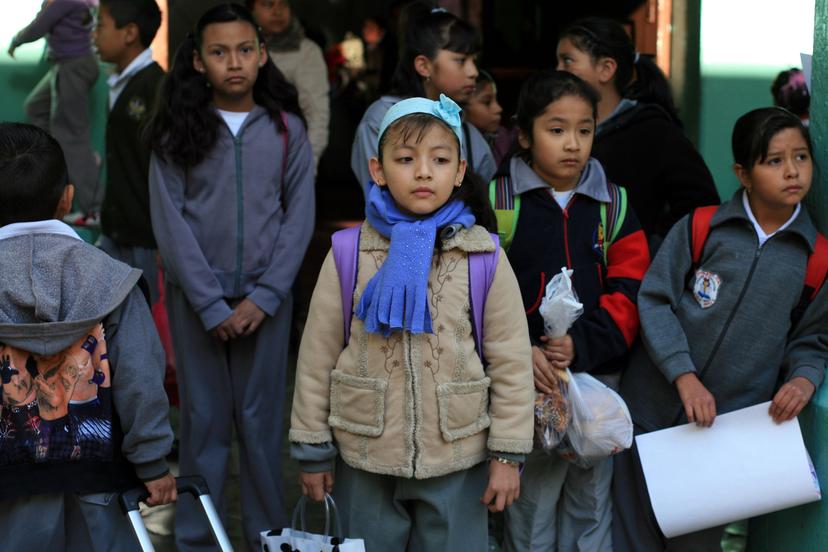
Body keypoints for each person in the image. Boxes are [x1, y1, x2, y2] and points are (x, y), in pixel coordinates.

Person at [290, 95, 534, 551]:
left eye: (439, 160)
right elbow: (316, 356)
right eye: (405, 159)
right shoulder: (348, 253)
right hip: (364, 453)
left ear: (459, 171)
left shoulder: (482, 256)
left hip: (457, 454)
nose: (423, 172)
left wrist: (506, 453)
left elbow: (511, 362)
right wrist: (311, 449)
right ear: (378, 170)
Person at [614, 107, 828, 551]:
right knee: (628, 539)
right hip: (648, 415)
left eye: (801, 157)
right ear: (743, 173)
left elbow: (813, 338)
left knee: (696, 545)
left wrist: (806, 378)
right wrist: (684, 376)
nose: (792, 171)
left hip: (724, 438)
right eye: (774, 161)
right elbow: (654, 300)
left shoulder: (816, 258)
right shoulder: (701, 227)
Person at [147, 4, 315, 550]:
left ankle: (270, 538)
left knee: (263, 428)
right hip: (198, 303)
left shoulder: (287, 129)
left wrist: (266, 296)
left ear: (262, 55)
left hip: (267, 301)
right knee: (203, 424)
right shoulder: (177, 130)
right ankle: (200, 540)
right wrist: (211, 304)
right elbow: (169, 223)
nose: (234, 63)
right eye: (219, 53)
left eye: (245, 50)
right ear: (198, 61)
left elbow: (299, 218)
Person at [0, 122, 176, 551]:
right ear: (67, 198)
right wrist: (152, 461)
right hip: (98, 484)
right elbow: (138, 373)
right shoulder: (110, 280)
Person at [496, 70, 649, 552]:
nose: (573, 144)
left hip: (600, 379)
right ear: (524, 134)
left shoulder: (614, 204)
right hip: (531, 381)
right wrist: (524, 349)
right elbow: (480, 295)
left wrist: (581, 345)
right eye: (556, 130)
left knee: (591, 502)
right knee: (532, 504)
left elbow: (630, 289)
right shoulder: (499, 203)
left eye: (585, 130)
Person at [556, 17, 720, 242]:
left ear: (606, 69)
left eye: (567, 61)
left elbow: (701, 206)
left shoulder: (654, 132)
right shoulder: (551, 130)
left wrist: (651, 253)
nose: (558, 71)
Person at [351, 2, 497, 196]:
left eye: (474, 60)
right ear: (424, 66)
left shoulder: (468, 132)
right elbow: (379, 200)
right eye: (461, 60)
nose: (473, 72)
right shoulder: (380, 120)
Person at [94, 0, 164, 304]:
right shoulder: (116, 83)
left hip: (145, 237)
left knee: (142, 319)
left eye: (100, 26)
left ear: (130, 33)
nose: (93, 35)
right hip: (116, 229)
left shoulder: (155, 86)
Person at [9, 0, 102, 223]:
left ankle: (92, 210)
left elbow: (40, 26)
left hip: (73, 67)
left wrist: (16, 40)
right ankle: (61, 158)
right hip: (67, 65)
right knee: (36, 107)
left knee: (72, 138)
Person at [247, 0, 330, 166]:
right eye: (268, 4)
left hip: (287, 158)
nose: (277, 11)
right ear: (251, 9)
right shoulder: (240, 47)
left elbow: (316, 114)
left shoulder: (306, 51)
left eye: (283, 4)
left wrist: (307, 165)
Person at [465, 69, 514, 167]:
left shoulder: (504, 139)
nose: (498, 109)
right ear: (462, 107)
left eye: (496, 100)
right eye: (487, 102)